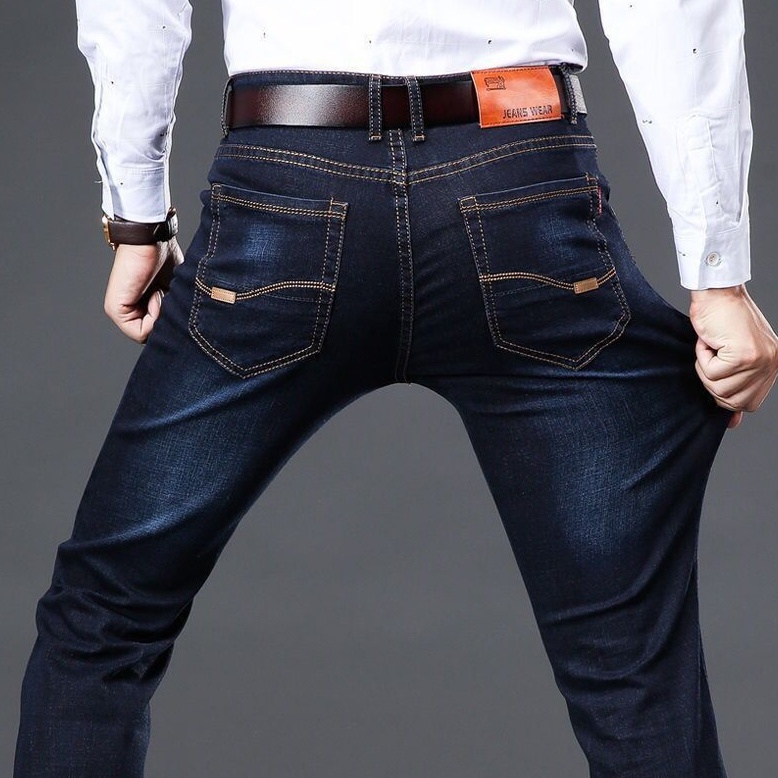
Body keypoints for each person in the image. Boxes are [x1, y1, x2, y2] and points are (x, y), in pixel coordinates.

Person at [14, 1, 778, 775]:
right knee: (631, 667)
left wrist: (138, 219)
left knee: (103, 625)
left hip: (289, 177)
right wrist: (717, 276)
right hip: (520, 174)